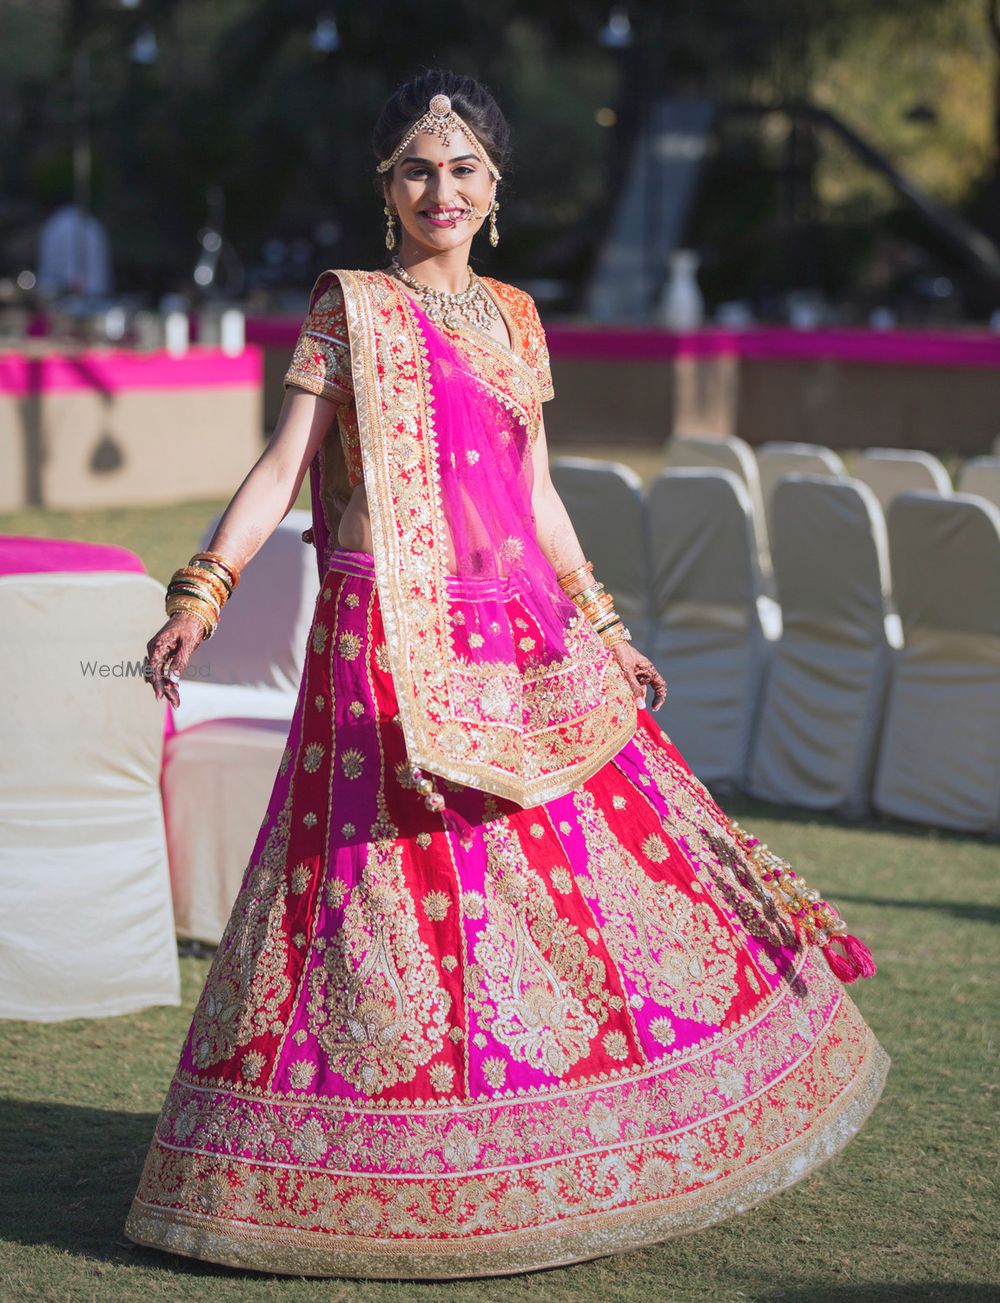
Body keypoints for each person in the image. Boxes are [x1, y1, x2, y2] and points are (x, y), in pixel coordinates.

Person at [126, 70, 890, 1281]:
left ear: (497, 188)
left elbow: (535, 496)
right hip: (382, 641)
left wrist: (602, 621)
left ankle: (552, 1134)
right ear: (386, 188)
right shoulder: (353, 310)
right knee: (376, 885)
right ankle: (355, 1153)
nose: (443, 189)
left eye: (466, 168)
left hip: (519, 635)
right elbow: (282, 467)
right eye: (419, 169)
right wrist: (204, 588)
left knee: (566, 879)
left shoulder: (517, 320)